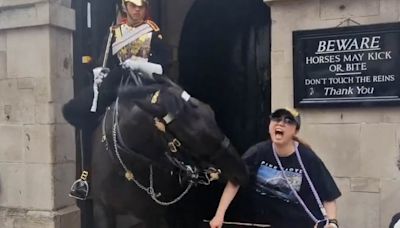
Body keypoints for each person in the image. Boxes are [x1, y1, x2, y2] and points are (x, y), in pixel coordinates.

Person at [64, 0, 171, 200]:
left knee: (174, 116)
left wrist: (141, 66)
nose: (137, 11)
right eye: (133, 6)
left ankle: (179, 169)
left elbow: (165, 64)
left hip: (145, 85)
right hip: (118, 84)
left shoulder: (153, 32)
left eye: (141, 7)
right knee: (88, 114)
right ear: (125, 7)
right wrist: (99, 71)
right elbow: (103, 61)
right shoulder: (114, 33)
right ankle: (85, 175)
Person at [209, 108, 342, 228]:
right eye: (276, 119)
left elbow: (328, 194)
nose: (281, 123)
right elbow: (235, 180)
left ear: (295, 130)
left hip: (301, 222)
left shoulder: (308, 158)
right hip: (266, 221)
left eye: (288, 121)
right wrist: (219, 215)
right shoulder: (258, 152)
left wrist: (332, 222)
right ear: (269, 126)